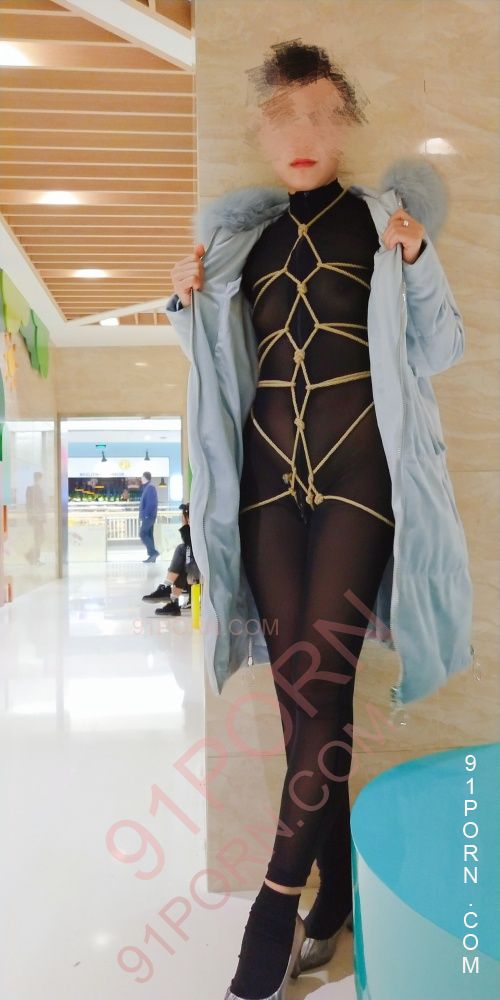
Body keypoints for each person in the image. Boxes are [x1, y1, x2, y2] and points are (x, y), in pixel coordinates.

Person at [166, 39, 474, 1000]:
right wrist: (185, 304)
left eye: (319, 114)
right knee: (301, 703)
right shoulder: (242, 246)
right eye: (283, 117)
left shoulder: (383, 224)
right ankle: (333, 896)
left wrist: (418, 260)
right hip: (263, 483)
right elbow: (219, 371)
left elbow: (442, 350)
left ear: (345, 127)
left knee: (322, 680)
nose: (301, 133)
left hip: (357, 478)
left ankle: (272, 914)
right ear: (262, 134)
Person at [142, 502, 200, 614]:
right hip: (198, 565)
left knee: (182, 550)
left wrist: (185, 525)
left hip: (199, 569)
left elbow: (190, 545)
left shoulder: (201, 528)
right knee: (183, 557)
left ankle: (167, 590)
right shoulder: (201, 527)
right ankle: (171, 599)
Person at [25, 471, 46, 565]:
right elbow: (33, 504)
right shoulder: (34, 489)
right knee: (39, 538)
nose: (43, 481)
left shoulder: (37, 489)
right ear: (39, 479)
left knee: (40, 537)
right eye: (42, 479)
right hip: (37, 518)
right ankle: (33, 557)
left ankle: (32, 557)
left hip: (38, 518)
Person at [138, 470, 159, 563]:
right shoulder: (147, 487)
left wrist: (146, 515)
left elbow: (151, 503)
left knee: (142, 533)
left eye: (142, 477)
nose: (141, 479)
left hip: (149, 516)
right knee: (149, 535)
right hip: (149, 516)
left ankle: (153, 553)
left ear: (145, 478)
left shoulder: (150, 488)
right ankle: (152, 557)